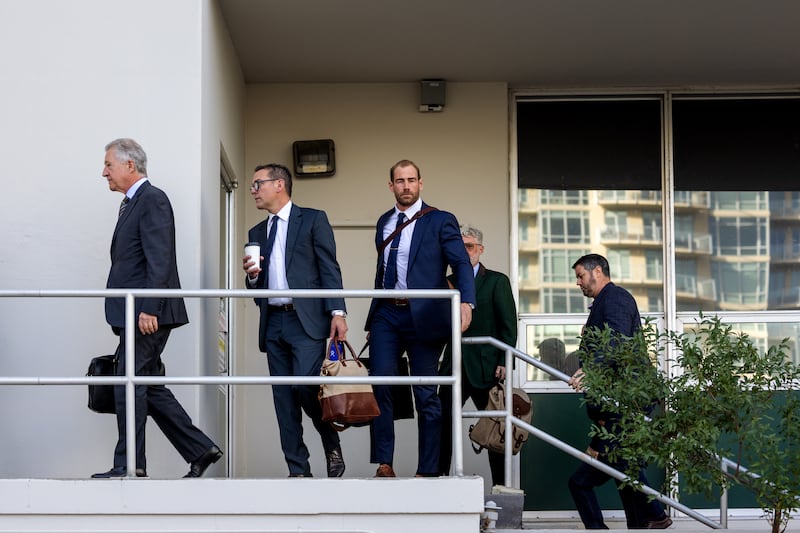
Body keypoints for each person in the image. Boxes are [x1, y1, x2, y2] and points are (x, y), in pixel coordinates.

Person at [93, 138, 222, 478]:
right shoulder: (133, 203)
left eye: (109, 165)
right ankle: (200, 449)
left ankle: (129, 464)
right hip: (136, 312)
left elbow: (159, 257)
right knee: (145, 383)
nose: (103, 172)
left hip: (146, 314)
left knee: (129, 382)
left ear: (129, 165)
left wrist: (149, 308)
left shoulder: (152, 199)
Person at [365, 159, 476, 478]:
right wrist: (373, 321)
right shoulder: (384, 222)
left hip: (424, 315)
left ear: (421, 183)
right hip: (387, 314)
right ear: (391, 186)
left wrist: (466, 301)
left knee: (426, 393)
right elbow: (382, 272)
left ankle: (427, 470)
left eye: (411, 180)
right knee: (381, 383)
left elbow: (461, 264)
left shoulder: (440, 220)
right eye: (400, 181)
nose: (406, 186)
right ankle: (384, 462)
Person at [243, 163, 348, 478]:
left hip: (307, 321)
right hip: (273, 320)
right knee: (283, 399)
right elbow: (255, 285)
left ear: (279, 185)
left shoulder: (313, 219)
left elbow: (329, 267)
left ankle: (330, 442)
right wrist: (251, 278)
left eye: (257, 184)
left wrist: (338, 312)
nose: (253, 191)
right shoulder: (256, 232)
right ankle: (298, 470)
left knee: (305, 386)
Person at [567, 253, 672, 529]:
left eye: (580, 276)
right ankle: (647, 519)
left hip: (630, 399)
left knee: (617, 467)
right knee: (623, 466)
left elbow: (617, 339)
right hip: (620, 402)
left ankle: (656, 514)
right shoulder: (602, 303)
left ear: (598, 271)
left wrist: (590, 370)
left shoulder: (615, 298)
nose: (578, 283)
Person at [437, 225, 517, 484]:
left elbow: (508, 325)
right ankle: (437, 481)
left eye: (470, 246)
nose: (465, 251)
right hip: (453, 366)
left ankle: (501, 487)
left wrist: (506, 361)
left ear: (480, 250)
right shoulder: (444, 281)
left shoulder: (497, 281)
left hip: (486, 368)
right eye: (460, 247)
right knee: (441, 426)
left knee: (495, 429)